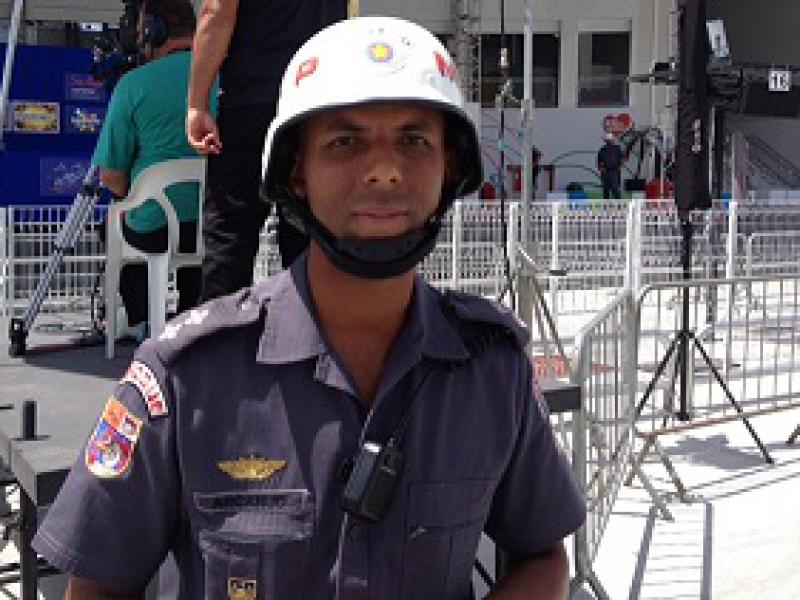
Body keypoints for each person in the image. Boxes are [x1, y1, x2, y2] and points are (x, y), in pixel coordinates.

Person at [34, 17, 585, 598]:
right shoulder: (184, 377)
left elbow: (543, 555)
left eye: (414, 140)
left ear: (450, 165)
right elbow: (97, 588)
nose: (384, 170)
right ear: (296, 170)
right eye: (345, 142)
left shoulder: (492, 370)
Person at [186, 0, 347, 302]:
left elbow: (217, 12)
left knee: (231, 233)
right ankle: (313, 327)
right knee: (312, 231)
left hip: (252, 98)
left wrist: (197, 104)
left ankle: (223, 330)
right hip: (317, 100)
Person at [95, 0, 216, 337]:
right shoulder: (224, 79)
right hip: (213, 223)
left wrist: (132, 190)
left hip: (154, 228)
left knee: (116, 223)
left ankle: (144, 322)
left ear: (153, 31)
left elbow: (111, 177)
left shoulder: (133, 84)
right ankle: (191, 320)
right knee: (197, 238)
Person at [597, 132, 625, 199]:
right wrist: (600, 168)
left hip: (614, 171)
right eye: (607, 140)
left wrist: (620, 166)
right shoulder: (602, 150)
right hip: (605, 172)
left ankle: (618, 204)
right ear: (605, 141)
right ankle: (606, 205)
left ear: (612, 140)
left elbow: (622, 158)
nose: (609, 141)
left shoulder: (617, 148)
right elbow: (599, 161)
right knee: (606, 190)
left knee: (615, 189)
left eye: (610, 140)